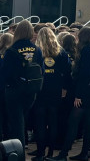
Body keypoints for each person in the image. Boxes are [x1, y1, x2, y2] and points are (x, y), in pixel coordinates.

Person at [52, 26, 90, 161]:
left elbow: (85, 75)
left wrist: (78, 95)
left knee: (73, 122)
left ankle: (63, 154)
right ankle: (84, 153)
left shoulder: (87, 51)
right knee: (88, 123)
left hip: (85, 93)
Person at [0, 20, 43, 157]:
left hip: (14, 91)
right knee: (21, 121)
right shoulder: (37, 49)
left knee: (16, 124)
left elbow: (5, 74)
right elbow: (41, 70)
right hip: (31, 91)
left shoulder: (11, 50)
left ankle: (18, 155)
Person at [31, 27, 72, 161]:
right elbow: (67, 72)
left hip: (41, 90)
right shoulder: (61, 52)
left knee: (40, 123)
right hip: (56, 90)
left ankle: (40, 153)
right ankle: (50, 153)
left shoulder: (37, 52)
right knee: (53, 121)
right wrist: (64, 88)